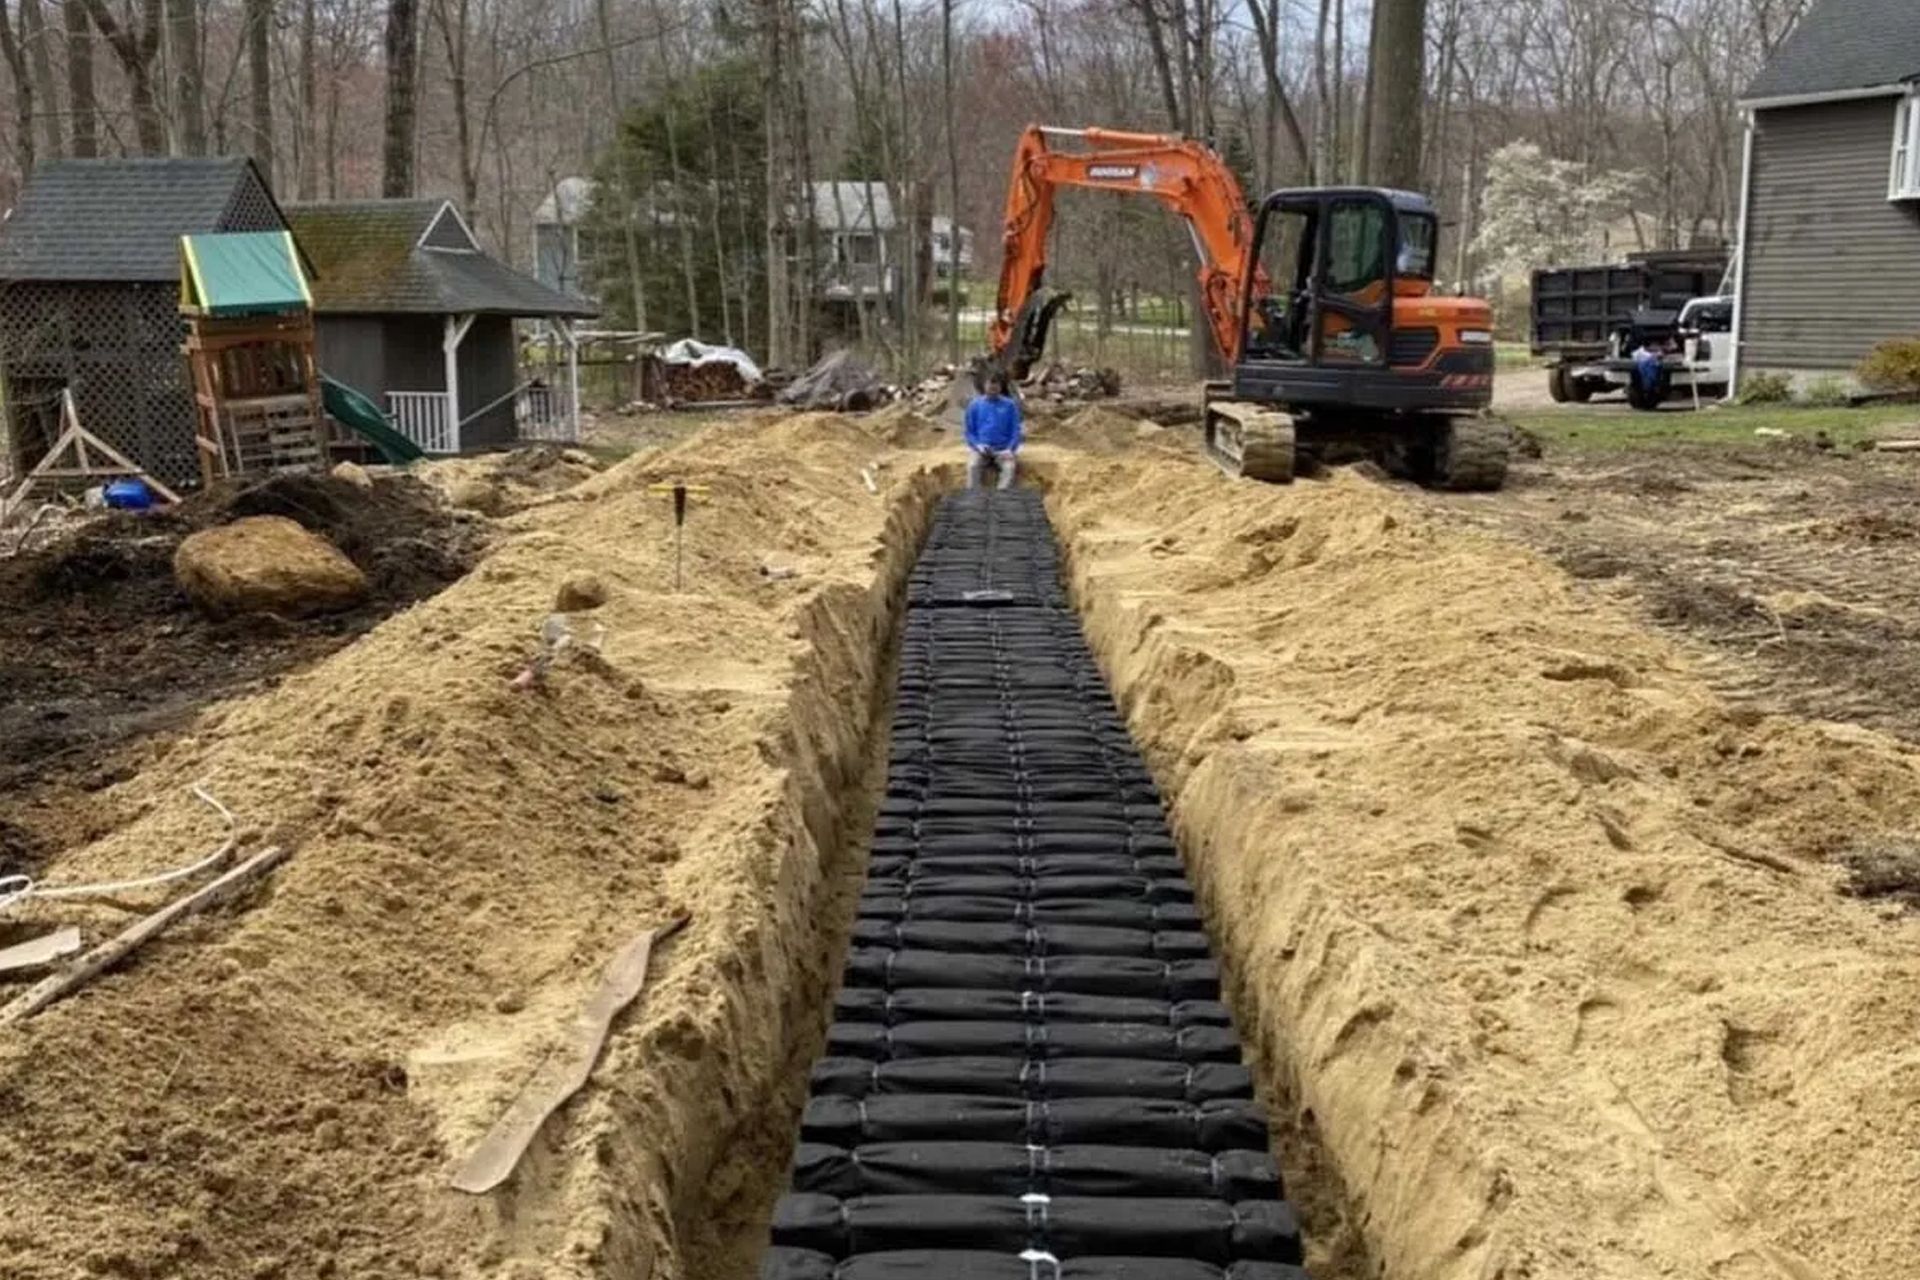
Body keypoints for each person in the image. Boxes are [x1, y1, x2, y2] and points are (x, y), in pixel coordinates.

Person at [964, 374, 1024, 490]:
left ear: (1000, 387)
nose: (992, 391)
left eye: (995, 388)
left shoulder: (1010, 406)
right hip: (981, 449)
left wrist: (1010, 449)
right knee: (972, 466)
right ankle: (973, 497)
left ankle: (1001, 497)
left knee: (1009, 468)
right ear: (984, 386)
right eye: (990, 387)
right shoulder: (974, 405)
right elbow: (969, 431)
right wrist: (977, 445)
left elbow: (1015, 430)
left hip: (1003, 449)